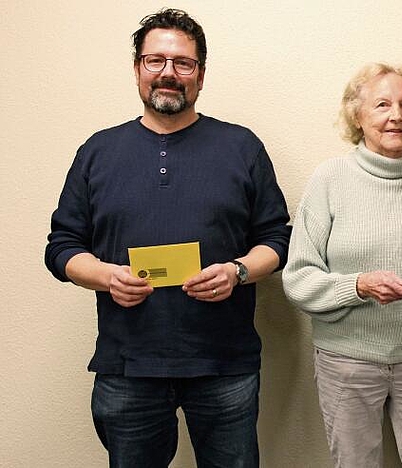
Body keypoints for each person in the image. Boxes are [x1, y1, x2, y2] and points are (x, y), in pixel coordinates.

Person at [44, 9, 291, 468]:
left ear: (201, 74)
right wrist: (104, 276)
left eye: (183, 63)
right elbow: (61, 247)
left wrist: (238, 272)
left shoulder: (242, 147)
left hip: (224, 365)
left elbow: (276, 238)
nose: (169, 74)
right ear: (137, 68)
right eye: (155, 60)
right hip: (127, 366)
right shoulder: (98, 151)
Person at [282, 63, 402, 467]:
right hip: (346, 363)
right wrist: (358, 286)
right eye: (382, 105)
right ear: (358, 116)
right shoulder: (329, 180)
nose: (396, 116)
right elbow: (297, 279)